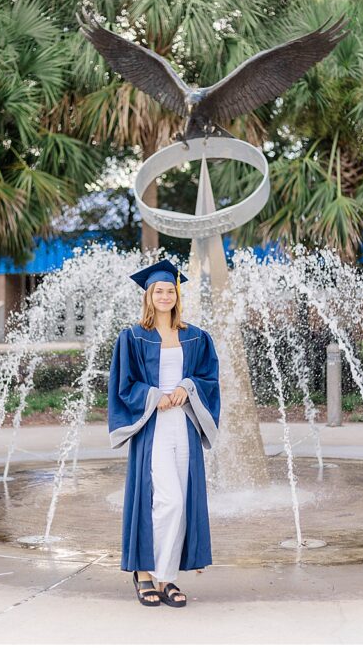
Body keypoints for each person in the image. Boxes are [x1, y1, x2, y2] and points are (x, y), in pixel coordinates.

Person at [108, 259, 221, 608]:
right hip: (153, 424)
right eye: (159, 290)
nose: (165, 295)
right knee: (164, 500)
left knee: (182, 501)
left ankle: (166, 577)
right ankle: (144, 572)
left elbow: (209, 377)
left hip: (183, 423)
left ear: (177, 294)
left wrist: (187, 387)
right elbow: (123, 385)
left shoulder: (195, 335)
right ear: (148, 295)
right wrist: (154, 396)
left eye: (170, 290)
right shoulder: (132, 337)